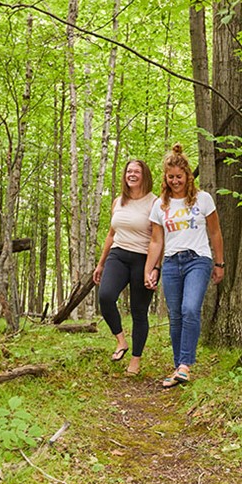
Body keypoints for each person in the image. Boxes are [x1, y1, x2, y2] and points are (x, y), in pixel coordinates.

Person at [144, 144, 224, 388]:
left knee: (190, 308)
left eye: (179, 176)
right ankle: (179, 367)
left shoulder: (203, 199)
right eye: (171, 177)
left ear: (188, 175)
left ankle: (185, 364)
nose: (175, 181)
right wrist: (150, 270)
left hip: (198, 259)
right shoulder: (160, 205)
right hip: (170, 262)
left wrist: (219, 263)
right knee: (176, 315)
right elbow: (156, 240)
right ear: (165, 178)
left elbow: (216, 232)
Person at [93, 159, 157, 376]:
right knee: (106, 296)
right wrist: (101, 264)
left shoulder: (154, 203)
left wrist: (154, 268)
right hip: (118, 255)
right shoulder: (118, 201)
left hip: (143, 258)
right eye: (129, 171)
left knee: (139, 311)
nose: (132, 174)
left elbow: (159, 239)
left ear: (144, 175)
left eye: (136, 171)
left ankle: (136, 360)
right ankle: (121, 341)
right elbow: (111, 235)